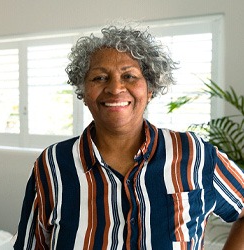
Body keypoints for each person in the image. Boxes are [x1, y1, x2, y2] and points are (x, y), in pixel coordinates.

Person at [14, 25, 244, 250]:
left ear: (150, 88)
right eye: (99, 78)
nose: (115, 88)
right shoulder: (52, 163)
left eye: (129, 76)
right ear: (83, 92)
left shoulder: (195, 154)